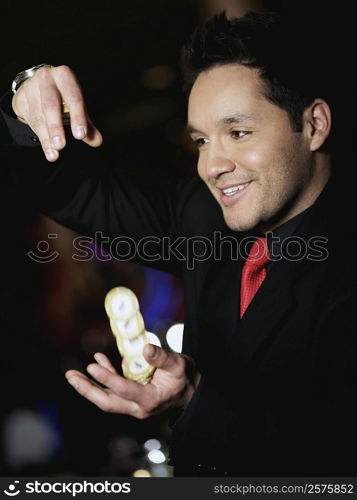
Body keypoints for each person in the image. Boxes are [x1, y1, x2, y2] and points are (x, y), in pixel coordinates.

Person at [1, 11, 356, 477]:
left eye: (238, 133)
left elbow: (322, 451)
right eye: (202, 141)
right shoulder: (202, 214)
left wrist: (203, 400)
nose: (212, 165)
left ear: (314, 124)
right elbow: (81, 196)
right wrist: (29, 102)